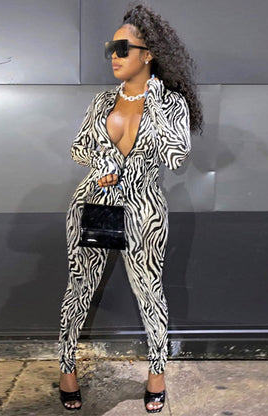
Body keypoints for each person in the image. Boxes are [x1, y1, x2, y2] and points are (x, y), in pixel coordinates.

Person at [57, 3, 203, 413]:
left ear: (149, 54)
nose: (114, 56)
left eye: (123, 48)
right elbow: (78, 148)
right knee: (79, 287)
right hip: (94, 203)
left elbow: (175, 157)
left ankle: (157, 372)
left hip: (143, 209)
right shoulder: (103, 101)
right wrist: (103, 160)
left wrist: (154, 103)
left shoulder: (171, 103)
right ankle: (66, 367)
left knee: (149, 291)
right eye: (111, 48)